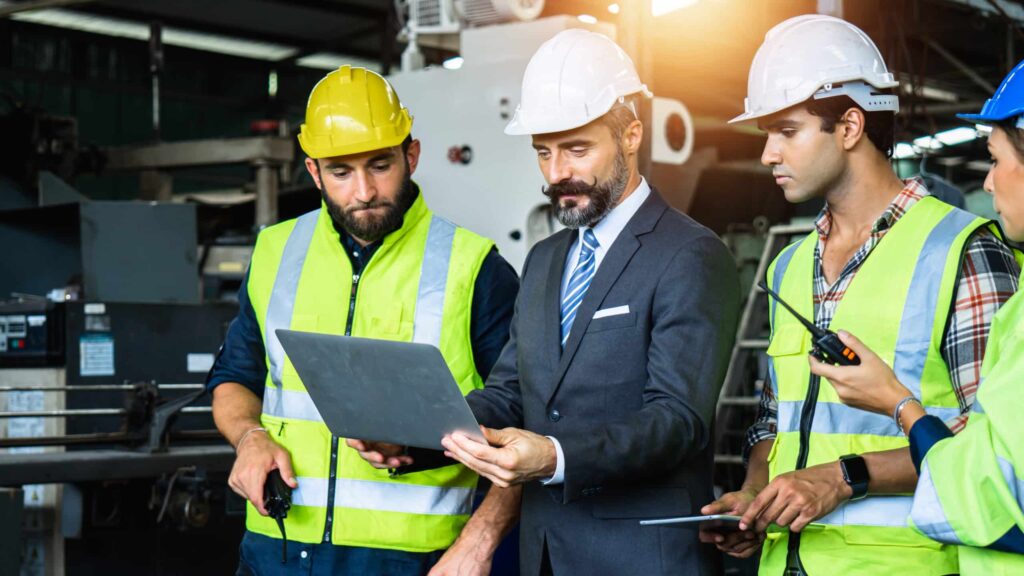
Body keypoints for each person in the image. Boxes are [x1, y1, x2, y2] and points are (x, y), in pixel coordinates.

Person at [354, 28, 740, 575]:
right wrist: (417, 436)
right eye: (543, 152)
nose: (558, 173)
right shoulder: (544, 259)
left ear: (631, 136)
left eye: (577, 149)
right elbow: (511, 395)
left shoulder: (690, 255)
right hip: (545, 556)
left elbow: (677, 421)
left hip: (642, 561)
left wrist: (555, 457)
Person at [700, 14, 1021, 575]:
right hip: (784, 564)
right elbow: (774, 418)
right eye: (766, 135)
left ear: (849, 126)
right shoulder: (788, 267)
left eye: (787, 131)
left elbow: (994, 457)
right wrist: (756, 492)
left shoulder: (964, 252)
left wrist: (841, 477)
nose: (768, 154)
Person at [207, 65, 521, 575]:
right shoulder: (274, 252)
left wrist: (478, 545)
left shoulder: (475, 267)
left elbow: (525, 426)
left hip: (413, 559)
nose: (364, 191)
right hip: (276, 552)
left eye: (380, 165)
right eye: (341, 172)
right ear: (313, 172)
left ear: (411, 155)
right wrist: (249, 438)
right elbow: (234, 379)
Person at [809, 59, 1024, 575]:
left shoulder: (968, 253)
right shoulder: (790, 264)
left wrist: (898, 403)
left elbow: (991, 502)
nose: (989, 184)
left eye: (995, 160)